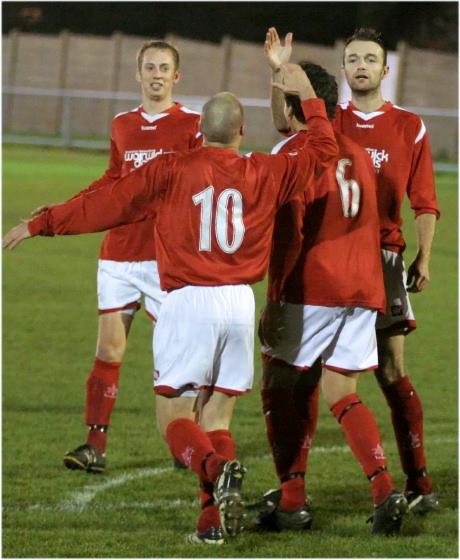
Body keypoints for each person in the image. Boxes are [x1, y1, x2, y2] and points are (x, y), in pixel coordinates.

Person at [3, 63, 339, 543]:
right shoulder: (267, 169)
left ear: (198, 132)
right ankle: (211, 523)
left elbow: (107, 203)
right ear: (242, 132)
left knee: (174, 419)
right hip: (240, 304)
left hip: (188, 303)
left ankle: (217, 468)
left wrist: (43, 223)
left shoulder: (170, 168)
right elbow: (325, 150)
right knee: (216, 416)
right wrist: (308, 97)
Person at [266, 26, 440, 516]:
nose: (361, 65)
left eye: (370, 59)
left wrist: (423, 256)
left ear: (385, 70)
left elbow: (424, 200)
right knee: (327, 380)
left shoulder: (409, 125)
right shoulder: (330, 119)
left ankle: (419, 481)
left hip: (381, 257)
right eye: (353, 59)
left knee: (389, 372)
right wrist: (280, 70)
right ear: (343, 71)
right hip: (346, 260)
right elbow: (288, 121)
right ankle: (333, 488)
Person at [30, 40, 202, 473]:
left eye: (164, 67)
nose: (157, 74)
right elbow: (111, 182)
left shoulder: (192, 125)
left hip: (166, 259)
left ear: (176, 76)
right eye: (149, 67)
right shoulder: (123, 124)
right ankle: (93, 446)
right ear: (138, 74)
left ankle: (189, 439)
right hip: (120, 255)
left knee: (176, 359)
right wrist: (59, 212)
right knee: (109, 349)